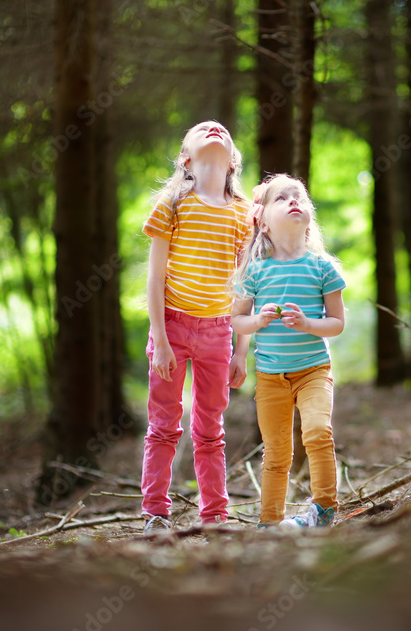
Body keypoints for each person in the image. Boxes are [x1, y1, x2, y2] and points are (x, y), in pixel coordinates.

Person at [140, 121, 251, 534]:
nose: (213, 127)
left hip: (219, 333)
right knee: (164, 424)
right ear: (186, 159)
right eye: (202, 129)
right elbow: (154, 279)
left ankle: (216, 516)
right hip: (172, 325)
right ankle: (155, 512)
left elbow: (245, 287)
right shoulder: (172, 203)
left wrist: (242, 350)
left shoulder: (243, 214)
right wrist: (162, 341)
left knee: (210, 430)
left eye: (221, 130)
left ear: (233, 161)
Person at [230, 174, 346, 528]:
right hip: (270, 377)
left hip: (314, 370)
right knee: (277, 452)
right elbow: (237, 320)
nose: (294, 201)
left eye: (299, 197)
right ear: (262, 221)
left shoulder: (322, 266)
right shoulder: (255, 271)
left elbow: (337, 323)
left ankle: (324, 509)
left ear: (309, 216)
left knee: (316, 431)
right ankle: (270, 522)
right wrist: (258, 321)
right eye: (282, 198)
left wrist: (310, 324)